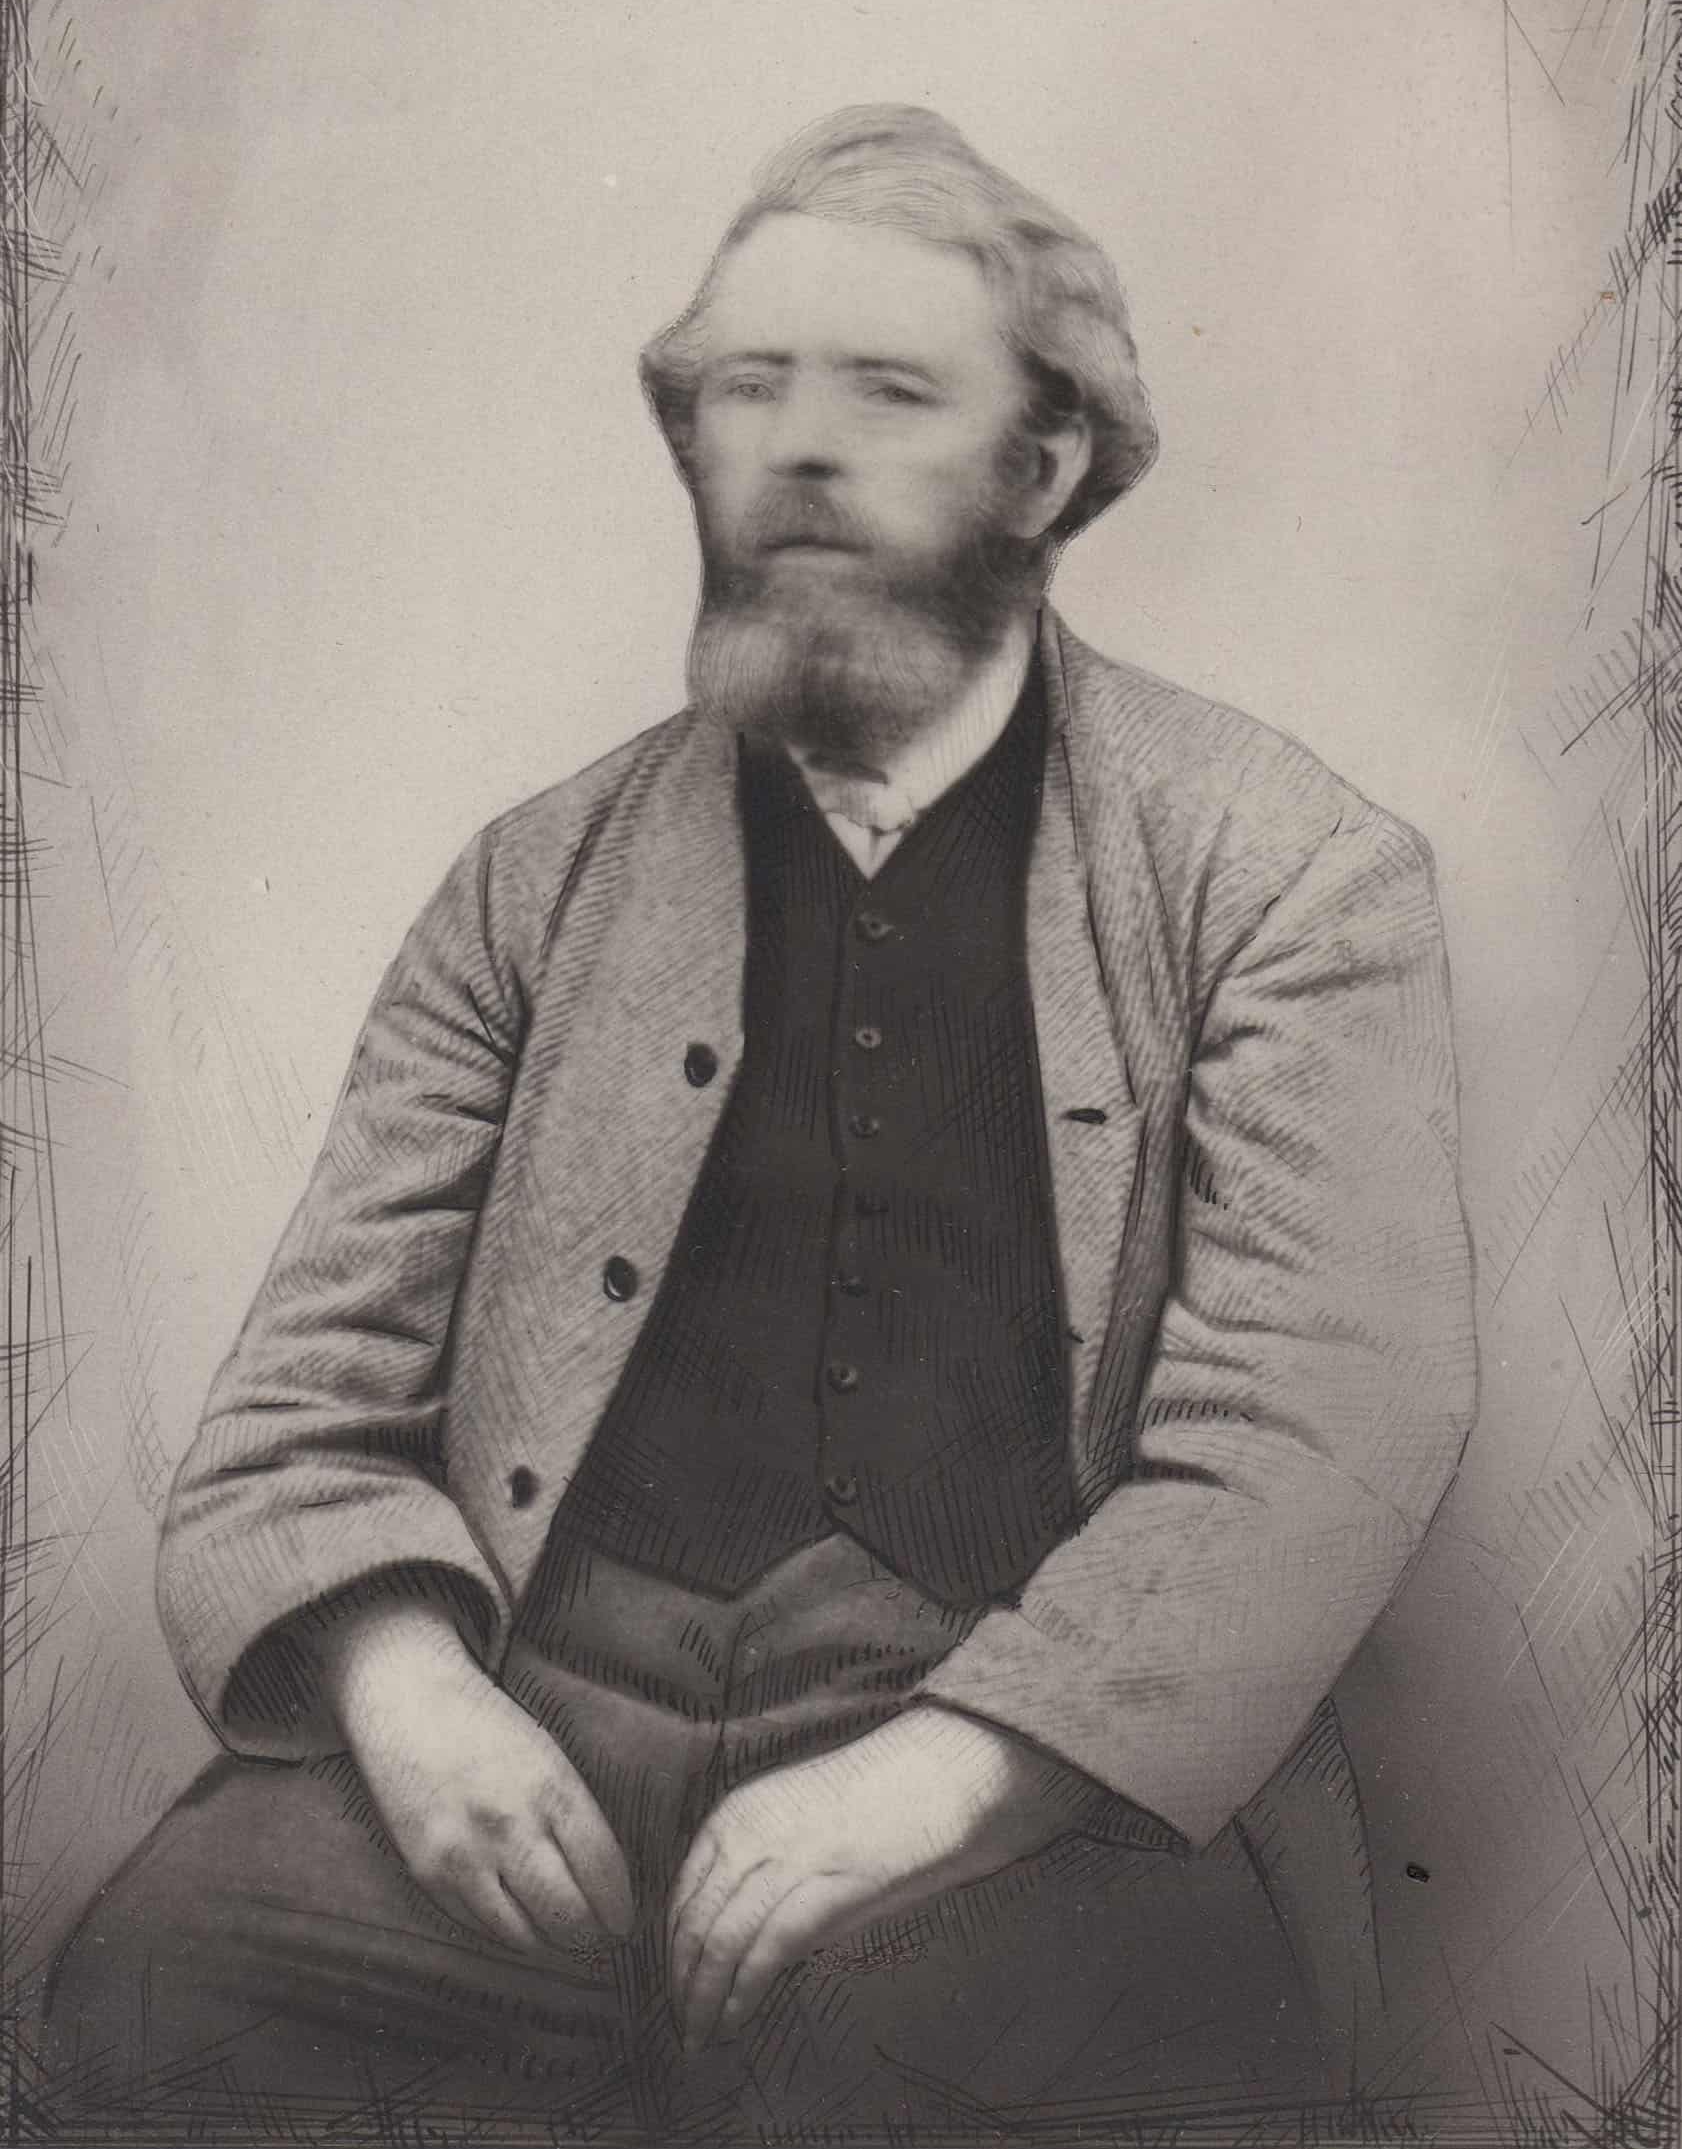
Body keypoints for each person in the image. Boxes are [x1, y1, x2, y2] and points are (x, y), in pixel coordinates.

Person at [46, 106, 1478, 2135]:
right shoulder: (531, 881)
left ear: (1045, 463)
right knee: (149, 1992)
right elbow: (300, 1402)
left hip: (1011, 1756)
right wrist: (408, 1689)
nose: (798, 446)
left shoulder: (1283, 872)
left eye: (888, 389)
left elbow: (1317, 1424)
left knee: (1024, 2078)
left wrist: (964, 1769)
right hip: (543, 1719)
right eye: (745, 387)